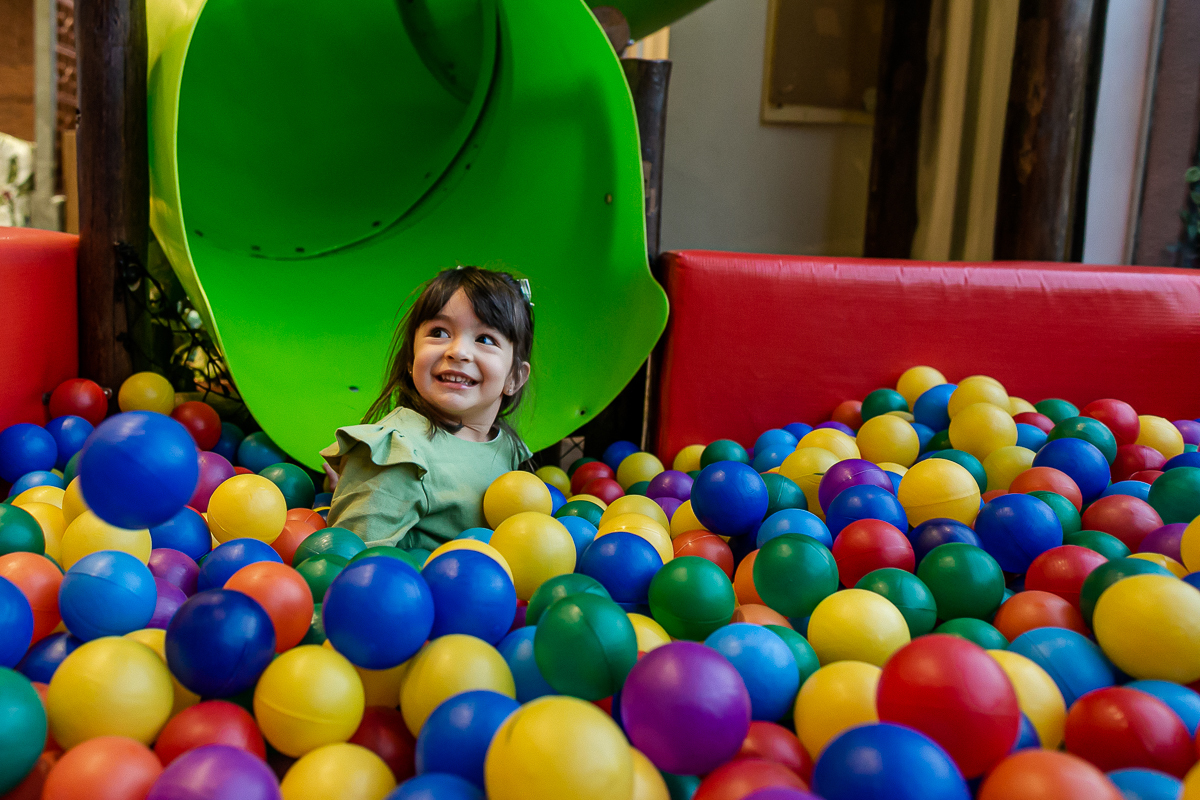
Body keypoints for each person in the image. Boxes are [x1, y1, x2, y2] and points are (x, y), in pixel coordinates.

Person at [321, 266, 534, 550]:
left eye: (485, 339)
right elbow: (354, 564)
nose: (458, 351)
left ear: (514, 377)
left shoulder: (505, 445)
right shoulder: (400, 455)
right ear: (411, 360)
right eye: (439, 332)